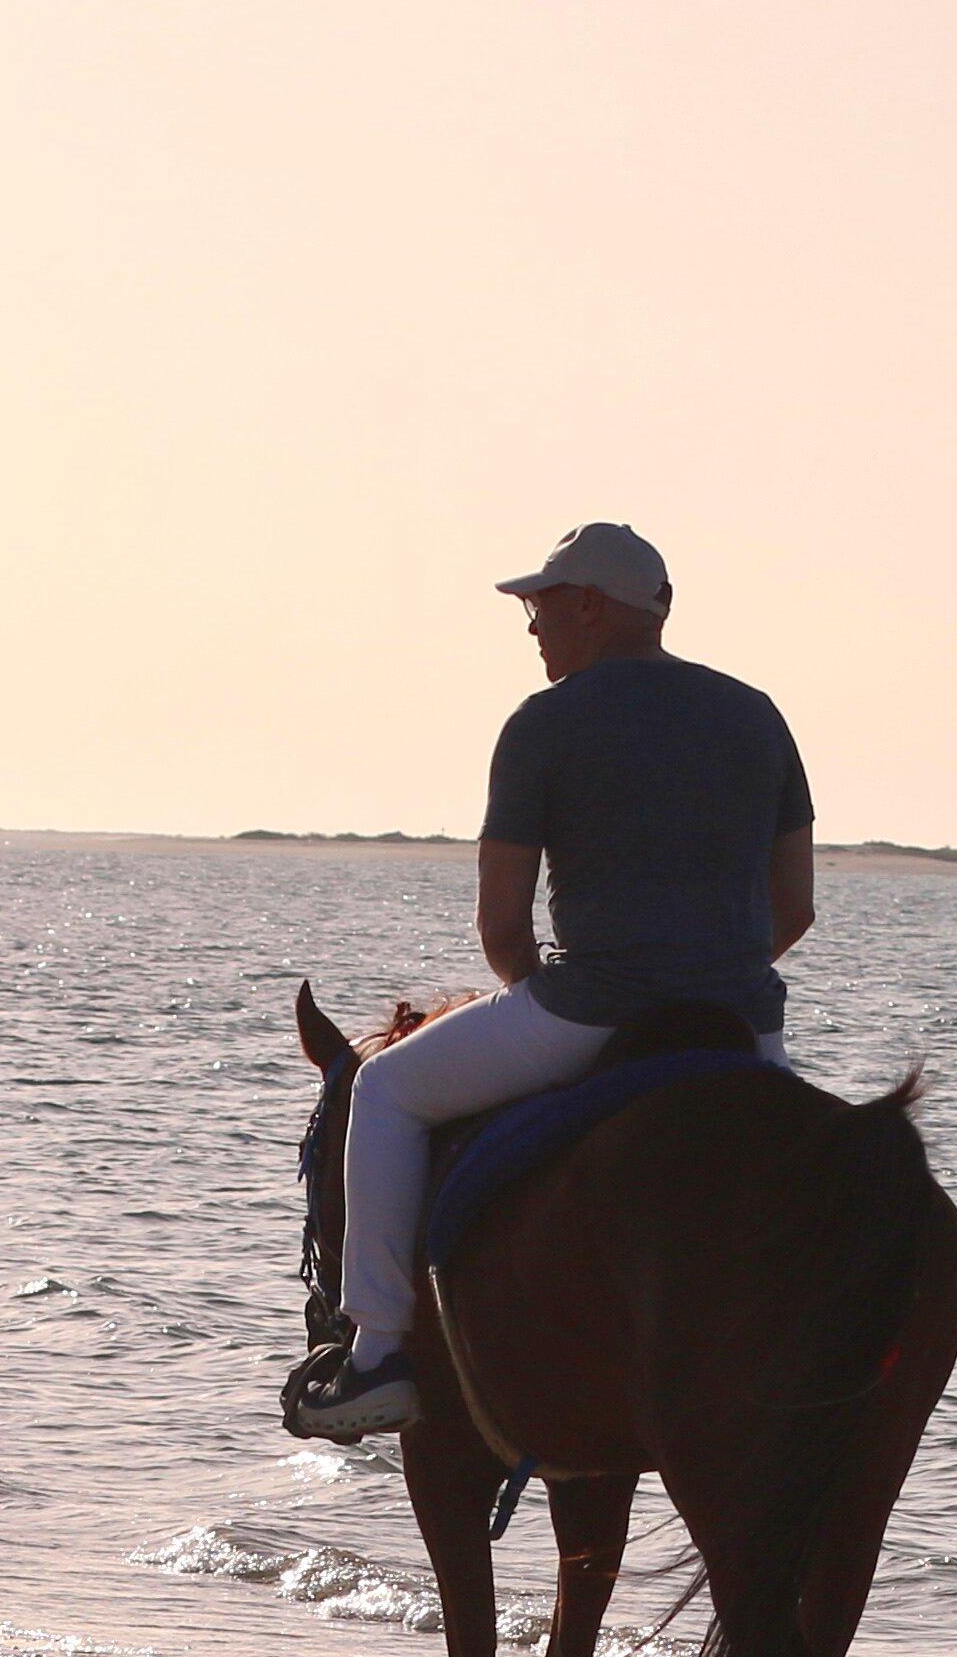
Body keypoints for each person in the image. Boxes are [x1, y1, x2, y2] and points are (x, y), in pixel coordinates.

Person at [286, 521, 814, 1440]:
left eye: (538, 606)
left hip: (589, 1010)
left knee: (383, 1088)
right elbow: (796, 908)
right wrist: (703, 975)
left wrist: (555, 992)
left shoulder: (546, 723)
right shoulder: (756, 712)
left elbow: (502, 927)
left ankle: (376, 1355)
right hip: (743, 1025)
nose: (531, 628)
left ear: (589, 606)